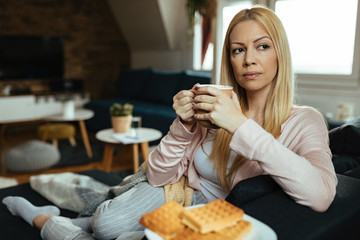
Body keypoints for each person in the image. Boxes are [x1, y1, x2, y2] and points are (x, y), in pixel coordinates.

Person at [2, 5, 337, 240]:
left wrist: (239, 125)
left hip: (211, 217)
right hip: (180, 193)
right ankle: (80, 218)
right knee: (105, 227)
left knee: (110, 233)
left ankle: (45, 219)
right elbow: (159, 174)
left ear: (280, 53)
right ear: (230, 60)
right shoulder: (214, 106)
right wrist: (183, 125)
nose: (248, 59)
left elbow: (321, 195)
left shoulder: (305, 121)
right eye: (237, 50)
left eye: (262, 46)